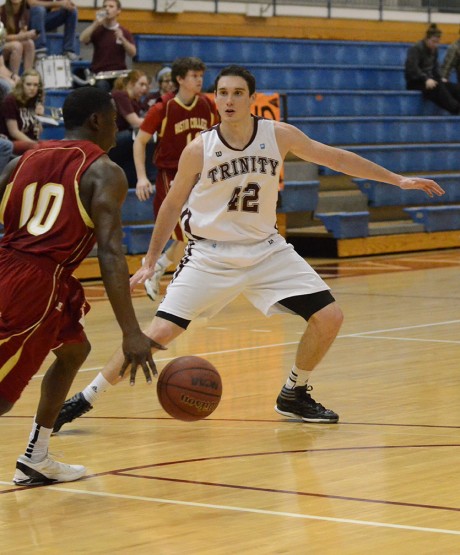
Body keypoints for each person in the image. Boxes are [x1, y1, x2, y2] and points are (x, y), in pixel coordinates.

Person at [54, 65, 444, 432]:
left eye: (238, 93)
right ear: (216, 98)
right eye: (222, 93)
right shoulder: (200, 148)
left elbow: (336, 159)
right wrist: (152, 260)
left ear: (251, 98)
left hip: (267, 250)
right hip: (210, 254)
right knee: (157, 333)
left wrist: (397, 179)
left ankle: (294, 392)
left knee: (330, 317)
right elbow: (172, 204)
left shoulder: (279, 135)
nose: (229, 100)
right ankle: (84, 400)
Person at [0, 86, 160, 486]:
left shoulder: (23, 159)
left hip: (12, 265)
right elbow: (109, 253)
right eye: (113, 120)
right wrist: (131, 332)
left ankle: (36, 455)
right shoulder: (104, 171)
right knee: (2, 393)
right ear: (96, 121)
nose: (116, 128)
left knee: (75, 351)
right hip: (34, 283)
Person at [134, 56, 218, 302]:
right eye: (194, 76)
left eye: (201, 76)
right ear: (180, 79)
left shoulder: (207, 105)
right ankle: (157, 265)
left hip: (200, 175)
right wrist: (141, 177)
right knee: (185, 231)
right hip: (171, 174)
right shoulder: (163, 107)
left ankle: (159, 265)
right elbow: (140, 142)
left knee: (198, 233)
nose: (199, 80)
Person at [109, 69, 155, 186]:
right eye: (141, 84)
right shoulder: (120, 95)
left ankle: (135, 180)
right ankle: (151, 177)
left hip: (122, 140)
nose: (144, 89)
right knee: (145, 136)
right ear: (131, 83)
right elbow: (135, 122)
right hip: (111, 140)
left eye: (146, 86)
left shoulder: (135, 102)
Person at [79, 0, 136, 92]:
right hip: (100, 75)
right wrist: (95, 23)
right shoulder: (98, 29)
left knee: (124, 91)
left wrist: (122, 39)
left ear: (118, 11)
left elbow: (133, 53)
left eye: (111, 6)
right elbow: (82, 39)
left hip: (119, 75)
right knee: (101, 88)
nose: (107, 9)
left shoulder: (124, 31)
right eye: (105, 6)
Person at [405, 23, 460, 115]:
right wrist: (425, 79)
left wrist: (441, 78)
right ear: (427, 39)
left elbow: (435, 68)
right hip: (416, 81)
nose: (436, 44)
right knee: (437, 87)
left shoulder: (434, 50)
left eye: (437, 42)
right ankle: (456, 109)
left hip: (430, 79)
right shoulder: (416, 48)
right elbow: (412, 69)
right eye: (434, 41)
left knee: (452, 87)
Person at [0, 68, 44, 154]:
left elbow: (39, 130)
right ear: (22, 85)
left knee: (50, 146)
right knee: (40, 148)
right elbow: (14, 132)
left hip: (29, 142)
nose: (32, 88)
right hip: (10, 142)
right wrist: (34, 144)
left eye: (35, 85)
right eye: (28, 84)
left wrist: (40, 117)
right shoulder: (11, 100)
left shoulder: (34, 101)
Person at [0, 0, 36, 75]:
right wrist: (20, 36)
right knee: (17, 45)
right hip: (2, 45)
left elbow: (23, 32)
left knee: (30, 43)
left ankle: (27, 75)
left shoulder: (25, 11)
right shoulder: (1, 10)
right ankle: (14, 78)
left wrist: (28, 35)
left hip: (14, 41)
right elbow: (2, 37)